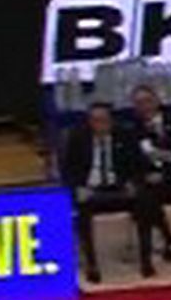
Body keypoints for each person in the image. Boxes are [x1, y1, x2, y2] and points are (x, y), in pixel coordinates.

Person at [60, 102, 161, 282]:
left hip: (119, 188)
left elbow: (139, 165)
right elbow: (67, 170)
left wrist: (133, 182)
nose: (99, 125)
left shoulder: (125, 135)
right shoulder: (78, 138)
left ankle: (146, 260)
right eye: (95, 120)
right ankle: (92, 263)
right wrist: (78, 187)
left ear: (111, 121)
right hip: (91, 190)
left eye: (103, 120)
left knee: (145, 200)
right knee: (81, 210)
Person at [128, 85, 171, 260]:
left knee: (145, 199)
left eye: (147, 101)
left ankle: (162, 242)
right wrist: (144, 176)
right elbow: (131, 162)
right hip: (149, 182)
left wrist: (168, 168)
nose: (144, 106)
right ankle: (165, 240)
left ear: (156, 101)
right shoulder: (132, 130)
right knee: (145, 197)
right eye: (139, 103)